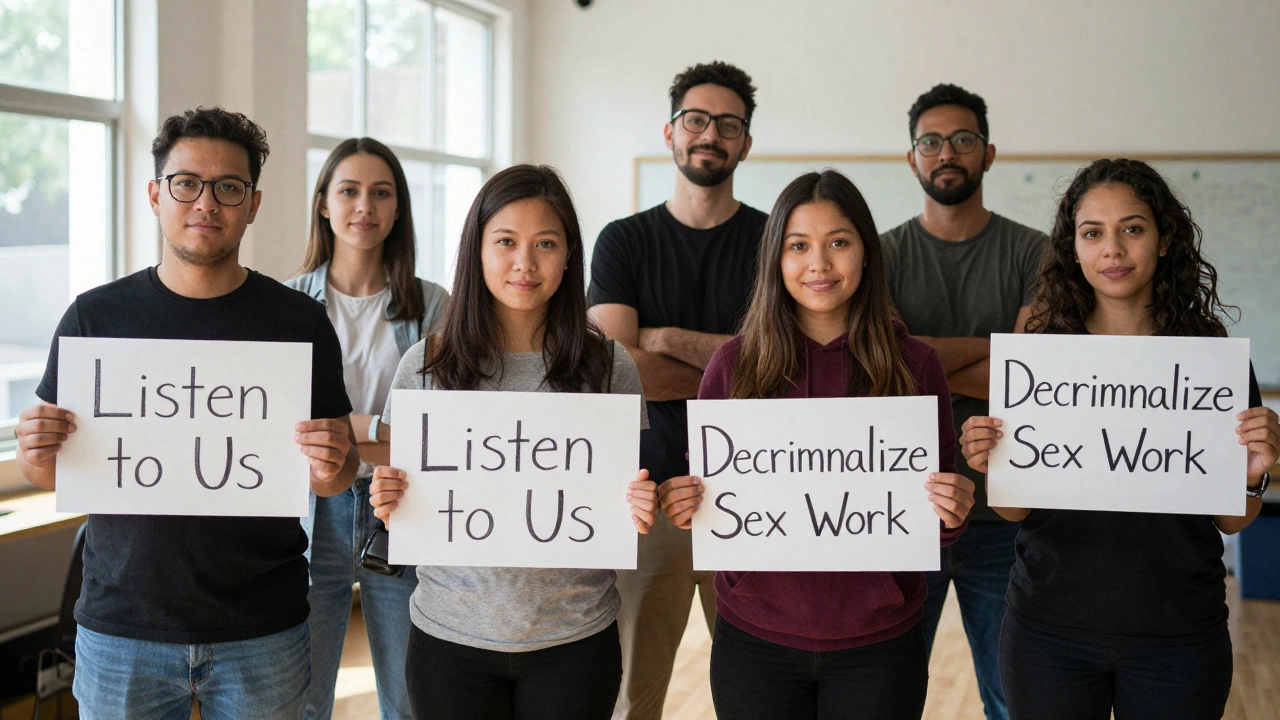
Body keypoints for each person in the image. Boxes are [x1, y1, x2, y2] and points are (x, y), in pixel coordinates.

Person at [13, 107, 358, 719]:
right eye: (186, 184)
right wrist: (34, 451)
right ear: (154, 194)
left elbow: (332, 476)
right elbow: (51, 471)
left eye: (229, 187)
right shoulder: (95, 319)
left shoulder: (297, 323)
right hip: (123, 629)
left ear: (252, 204)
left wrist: (333, 461)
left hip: (263, 629)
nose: (206, 203)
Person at [644, 170, 975, 719]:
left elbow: (936, 526)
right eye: (798, 246)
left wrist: (952, 509)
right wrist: (685, 506)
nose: (818, 264)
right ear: (776, 259)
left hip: (881, 645)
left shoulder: (916, 365)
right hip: (755, 642)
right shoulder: (732, 367)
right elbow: (708, 500)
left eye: (838, 243)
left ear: (867, 254)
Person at [959, 158, 1280, 720]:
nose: (1113, 249)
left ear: (1164, 238)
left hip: (1179, 634)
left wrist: (1254, 476)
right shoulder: (1042, 357)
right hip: (1047, 633)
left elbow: (1230, 522)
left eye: (1132, 228)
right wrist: (989, 459)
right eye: (1093, 233)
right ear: (1072, 248)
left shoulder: (1208, 359)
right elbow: (1012, 511)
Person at [367, 164, 657, 720]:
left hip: (576, 638)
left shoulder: (607, 365)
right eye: (505, 242)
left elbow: (621, 495)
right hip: (448, 638)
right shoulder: (426, 365)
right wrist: (390, 501)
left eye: (545, 244)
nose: (525, 262)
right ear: (476, 249)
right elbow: (407, 494)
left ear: (569, 255)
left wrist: (638, 507)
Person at [588, 60, 768, 720]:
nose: (710, 134)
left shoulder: (775, 241)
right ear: (670, 132)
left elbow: (775, 372)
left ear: (745, 143)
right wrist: (728, 361)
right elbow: (614, 371)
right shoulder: (623, 242)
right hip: (648, 496)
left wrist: (662, 340)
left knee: (758, 693)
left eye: (728, 124)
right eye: (696, 120)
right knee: (632, 697)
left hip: (758, 496)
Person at [879, 83, 1047, 720]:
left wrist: (925, 356)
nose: (946, 152)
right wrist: (993, 350)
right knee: (889, 694)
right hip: (905, 510)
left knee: (1012, 696)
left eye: (963, 139)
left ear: (989, 153)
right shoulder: (882, 255)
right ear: (912, 157)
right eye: (931, 141)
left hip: (1005, 510)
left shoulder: (1035, 252)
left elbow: (1035, 370)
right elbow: (890, 369)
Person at [286, 137, 449, 720]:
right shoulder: (285, 303)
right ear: (324, 204)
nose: (365, 206)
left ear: (399, 208)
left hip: (399, 504)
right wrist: (380, 426)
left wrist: (347, 426)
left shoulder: (434, 306)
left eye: (382, 193)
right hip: (311, 504)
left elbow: (438, 429)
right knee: (303, 695)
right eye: (349, 191)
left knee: (406, 697)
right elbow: (283, 426)